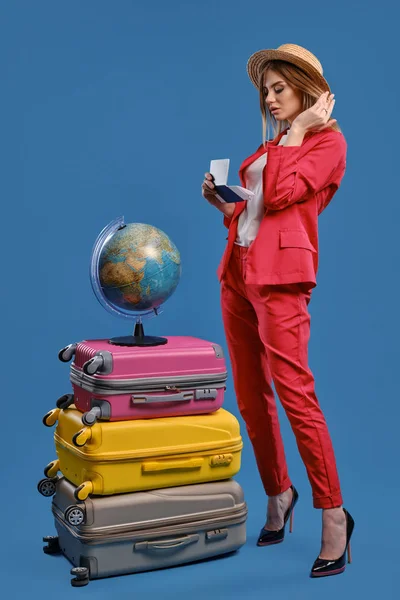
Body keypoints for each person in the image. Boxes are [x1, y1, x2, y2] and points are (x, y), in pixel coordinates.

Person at [201, 43, 354, 578]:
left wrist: (296, 132)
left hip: (282, 282)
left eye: (278, 89)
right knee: (249, 396)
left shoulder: (327, 143)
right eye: (265, 91)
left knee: (295, 394)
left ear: (305, 89)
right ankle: (278, 494)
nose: (269, 99)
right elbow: (260, 212)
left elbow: (287, 194)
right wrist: (228, 206)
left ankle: (333, 514)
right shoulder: (278, 142)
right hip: (238, 273)